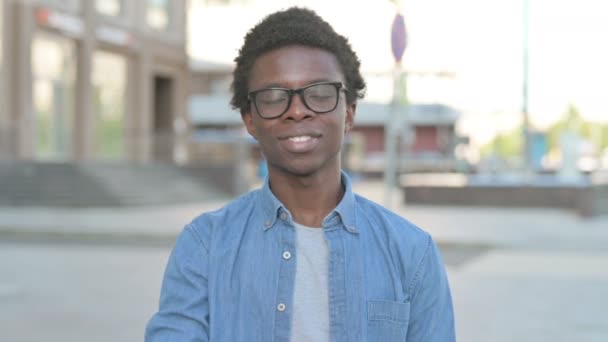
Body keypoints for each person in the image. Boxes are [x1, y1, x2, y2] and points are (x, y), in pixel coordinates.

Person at [146, 7, 455, 342]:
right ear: (250, 120)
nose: (297, 110)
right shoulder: (205, 246)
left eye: (320, 93)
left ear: (349, 112)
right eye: (274, 97)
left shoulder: (412, 252)